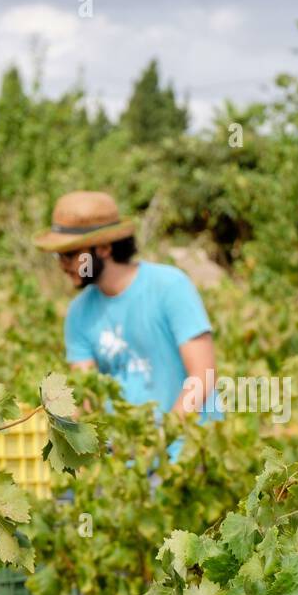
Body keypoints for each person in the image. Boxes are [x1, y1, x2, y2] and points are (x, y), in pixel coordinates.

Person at [35, 191, 218, 456]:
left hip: (186, 454)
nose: (63, 265)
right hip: (124, 461)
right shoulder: (78, 313)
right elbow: (87, 393)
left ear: (105, 248)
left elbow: (203, 376)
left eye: (70, 254)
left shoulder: (170, 287)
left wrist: (160, 438)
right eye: (58, 256)